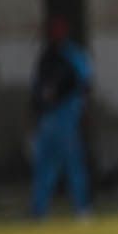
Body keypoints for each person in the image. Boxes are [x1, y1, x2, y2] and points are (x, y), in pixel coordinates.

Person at [29, 16, 93, 219]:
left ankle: (82, 208)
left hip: (67, 114)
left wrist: (82, 110)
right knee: (44, 165)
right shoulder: (46, 56)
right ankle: (39, 210)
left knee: (73, 163)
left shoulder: (73, 55)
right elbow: (36, 87)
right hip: (48, 116)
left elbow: (85, 83)